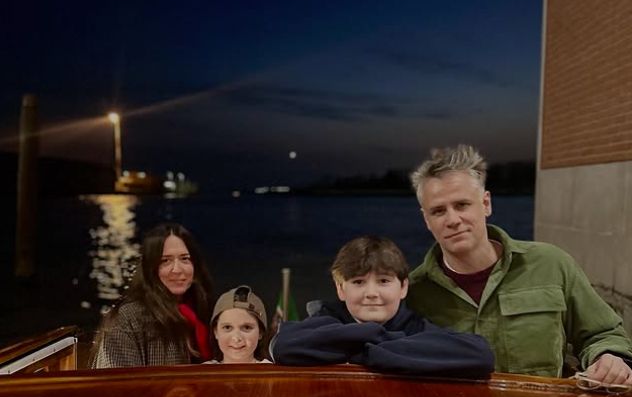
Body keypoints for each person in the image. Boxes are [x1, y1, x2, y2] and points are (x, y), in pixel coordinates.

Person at [408, 144, 632, 383]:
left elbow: (603, 333)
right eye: (439, 211)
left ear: (486, 204)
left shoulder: (551, 265)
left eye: (462, 205)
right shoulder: (413, 293)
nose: (453, 220)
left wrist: (609, 358)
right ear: (426, 219)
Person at [270, 235, 494, 378]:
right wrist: (387, 347)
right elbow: (283, 347)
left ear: (403, 287)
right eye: (358, 282)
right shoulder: (328, 318)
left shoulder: (415, 327)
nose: (371, 293)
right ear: (340, 289)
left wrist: (359, 348)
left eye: (384, 281)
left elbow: (481, 356)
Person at [91, 223, 213, 367]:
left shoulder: (205, 311)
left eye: (185, 258)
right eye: (165, 261)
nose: (177, 269)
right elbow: (117, 384)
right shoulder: (127, 318)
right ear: (150, 268)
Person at [208, 285, 271, 363]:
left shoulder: (275, 373)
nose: (236, 338)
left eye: (247, 327)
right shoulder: (200, 372)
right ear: (216, 332)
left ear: (260, 332)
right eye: (227, 327)